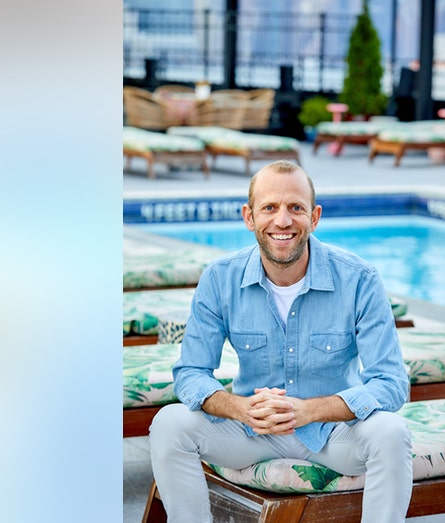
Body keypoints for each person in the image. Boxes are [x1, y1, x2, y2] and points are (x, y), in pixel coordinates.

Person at [149, 160, 412, 522]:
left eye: (296, 208)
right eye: (270, 207)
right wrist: (240, 408)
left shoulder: (359, 279)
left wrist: (310, 410)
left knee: (391, 432)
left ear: (315, 217)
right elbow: (191, 373)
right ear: (249, 216)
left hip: (333, 434)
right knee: (169, 424)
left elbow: (391, 383)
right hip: (249, 432)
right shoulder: (219, 278)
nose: (283, 221)